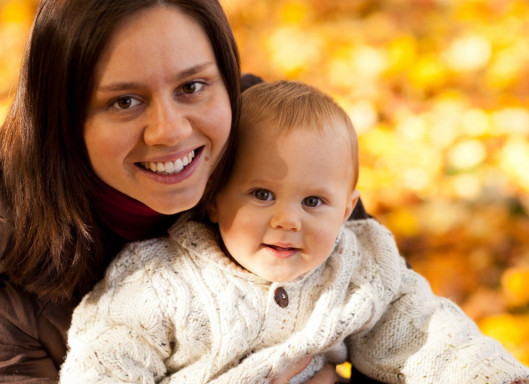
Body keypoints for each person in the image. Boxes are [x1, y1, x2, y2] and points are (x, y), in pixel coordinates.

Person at [59, 80, 529, 384]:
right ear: (213, 196)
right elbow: (104, 364)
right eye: (262, 195)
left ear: (347, 209)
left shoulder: (357, 268)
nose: (288, 221)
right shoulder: (160, 283)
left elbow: (421, 331)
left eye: (313, 202)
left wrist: (484, 374)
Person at [0, 1, 340, 383]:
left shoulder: (278, 139)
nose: (170, 131)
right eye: (124, 101)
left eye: (191, 87)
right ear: (63, 115)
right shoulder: (9, 277)